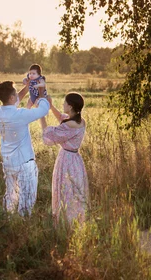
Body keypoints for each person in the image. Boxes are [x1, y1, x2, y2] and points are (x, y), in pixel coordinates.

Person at [0, 80, 49, 216]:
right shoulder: (20, 115)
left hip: (8, 162)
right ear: (12, 97)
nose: (17, 96)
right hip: (24, 163)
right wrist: (41, 92)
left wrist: (28, 86)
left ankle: (9, 221)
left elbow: (13, 102)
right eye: (15, 94)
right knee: (27, 198)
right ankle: (22, 226)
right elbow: (43, 110)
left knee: (11, 195)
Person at [39, 92, 89, 224]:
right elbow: (62, 118)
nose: (63, 104)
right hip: (76, 160)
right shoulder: (80, 121)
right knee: (74, 192)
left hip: (66, 160)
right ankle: (76, 222)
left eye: (65, 102)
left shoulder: (70, 125)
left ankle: (65, 224)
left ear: (71, 106)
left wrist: (41, 115)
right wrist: (51, 106)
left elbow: (49, 136)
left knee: (65, 191)